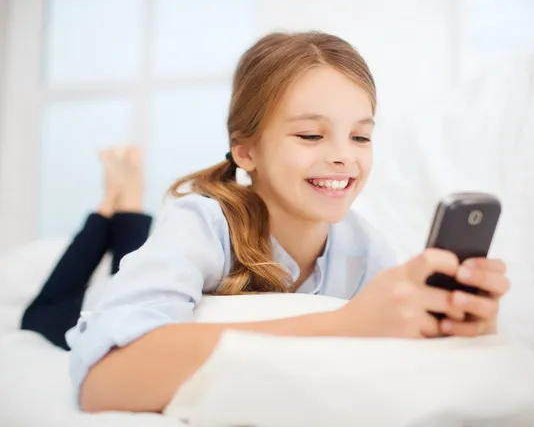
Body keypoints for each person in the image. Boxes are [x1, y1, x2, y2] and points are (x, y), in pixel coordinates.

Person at [68, 31, 510, 414]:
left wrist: (455, 327)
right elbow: (102, 381)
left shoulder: (366, 251)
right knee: (55, 308)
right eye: (311, 135)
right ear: (246, 151)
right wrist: (347, 323)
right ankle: (119, 202)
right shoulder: (200, 223)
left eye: (360, 136)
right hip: (78, 313)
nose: (343, 155)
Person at [21, 146, 152, 350]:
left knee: (122, 294)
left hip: (60, 321)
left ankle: (114, 198)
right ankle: (119, 198)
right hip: (76, 324)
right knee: (125, 293)